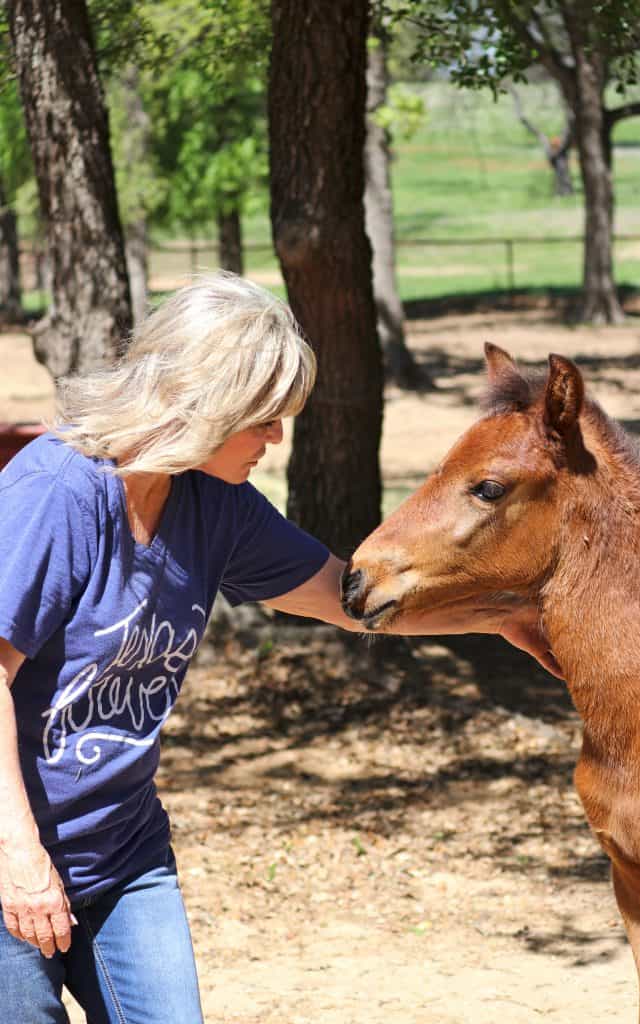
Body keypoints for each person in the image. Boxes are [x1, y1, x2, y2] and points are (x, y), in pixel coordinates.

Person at [0, 272, 556, 1023]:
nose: (276, 440)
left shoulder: (215, 502)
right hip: (11, 853)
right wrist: (21, 858)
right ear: (203, 404)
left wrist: (493, 616)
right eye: (262, 419)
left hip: (122, 850)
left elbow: (342, 599)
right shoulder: (62, 492)